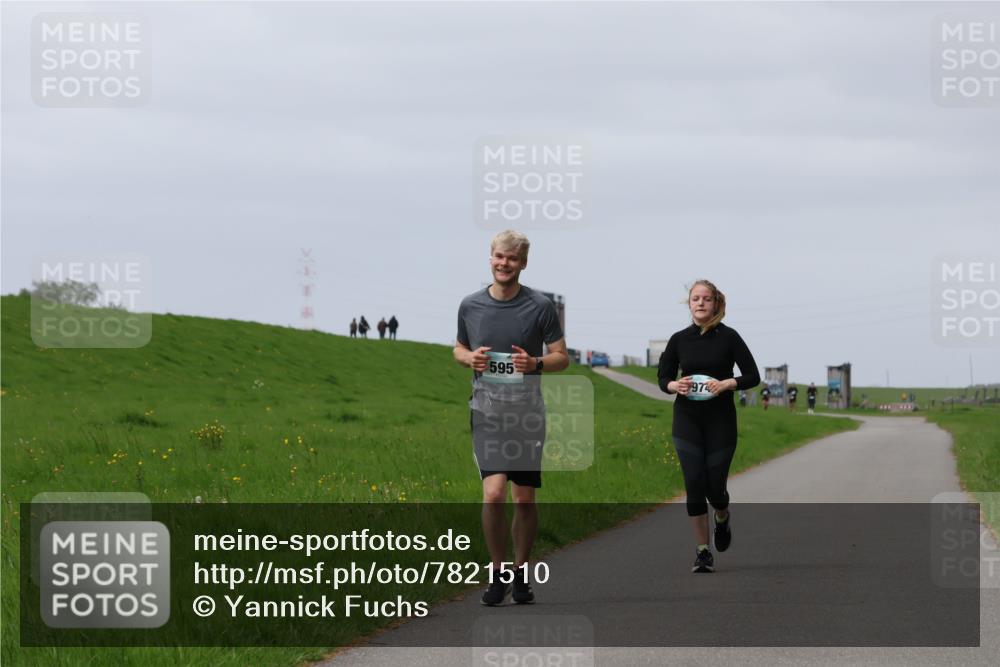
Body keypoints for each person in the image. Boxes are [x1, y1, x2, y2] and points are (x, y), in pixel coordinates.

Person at [454, 230, 568, 605]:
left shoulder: (539, 307)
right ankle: (498, 573)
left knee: (524, 499)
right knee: (493, 494)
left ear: (523, 263)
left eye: (512, 258)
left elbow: (561, 357)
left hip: (526, 415)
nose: (504, 264)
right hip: (486, 412)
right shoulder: (470, 305)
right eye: (499, 257)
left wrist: (534, 363)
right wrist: (469, 358)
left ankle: (520, 572)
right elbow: (459, 348)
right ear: (491, 258)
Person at [658, 280, 760, 573]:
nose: (700, 303)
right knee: (693, 483)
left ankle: (722, 516)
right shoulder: (678, 339)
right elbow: (663, 377)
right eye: (695, 299)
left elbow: (752, 375)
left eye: (706, 299)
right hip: (687, 419)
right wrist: (674, 385)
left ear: (716, 304)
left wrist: (728, 383)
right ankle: (703, 551)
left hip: (720, 421)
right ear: (689, 304)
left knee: (715, 489)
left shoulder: (729, 337)